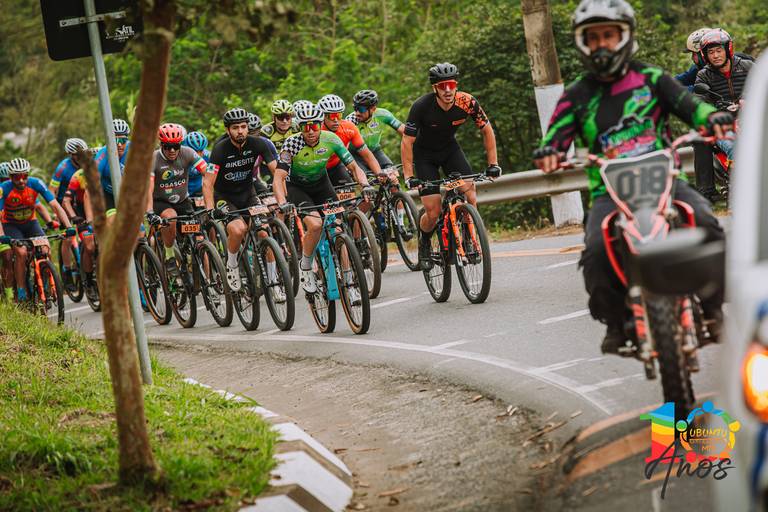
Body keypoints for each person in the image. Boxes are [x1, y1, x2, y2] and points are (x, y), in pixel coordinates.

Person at [532, 0, 733, 354]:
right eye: (594, 37)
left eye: (609, 35)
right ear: (582, 43)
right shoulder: (576, 95)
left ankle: (713, 309)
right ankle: (616, 321)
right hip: (609, 191)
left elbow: (692, 107)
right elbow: (556, 137)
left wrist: (711, 118)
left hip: (664, 179)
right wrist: (549, 151)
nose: (602, 44)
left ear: (625, 36)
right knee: (596, 251)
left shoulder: (652, 79)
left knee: (706, 223)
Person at [401, 62, 502, 266]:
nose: (447, 90)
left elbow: (487, 130)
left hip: (450, 150)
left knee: (470, 195)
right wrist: (409, 176)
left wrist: (493, 164)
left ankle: (468, 238)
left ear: (456, 85)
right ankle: (425, 242)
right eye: (442, 86)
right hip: (425, 156)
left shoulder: (467, 102)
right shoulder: (421, 106)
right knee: (433, 212)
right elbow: (407, 141)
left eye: (451, 85)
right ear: (435, 88)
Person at [272, 104, 373, 293]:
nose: (310, 131)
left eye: (314, 126)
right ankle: (306, 266)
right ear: (299, 128)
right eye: (305, 127)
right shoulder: (291, 144)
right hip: (298, 188)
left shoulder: (331, 139)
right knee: (316, 225)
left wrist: (365, 185)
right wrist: (282, 202)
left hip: (322, 185)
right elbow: (278, 179)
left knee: (337, 228)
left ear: (320, 125)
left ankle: (349, 279)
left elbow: (353, 167)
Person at [203, 107, 277, 290]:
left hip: (248, 193)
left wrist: (283, 195)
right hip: (224, 197)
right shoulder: (220, 149)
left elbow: (277, 171)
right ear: (228, 130)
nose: (240, 131)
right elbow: (208, 183)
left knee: (264, 232)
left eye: (243, 127)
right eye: (235, 128)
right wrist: (210, 210)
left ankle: (274, 281)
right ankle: (232, 265)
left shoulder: (258, 143)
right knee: (238, 230)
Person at [0, 158, 73, 302]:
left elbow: (55, 206)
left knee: (46, 249)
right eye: (17, 177)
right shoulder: (4, 189)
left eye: (24, 176)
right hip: (11, 225)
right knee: (21, 253)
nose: (21, 180)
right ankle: (21, 290)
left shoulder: (36, 183)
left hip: (31, 223)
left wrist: (69, 227)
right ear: (10, 177)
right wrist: (2, 235)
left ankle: (46, 283)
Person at [145, 123, 208, 276]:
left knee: (200, 238)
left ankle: (209, 280)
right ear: (161, 145)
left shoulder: (188, 152)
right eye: (168, 147)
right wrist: (150, 211)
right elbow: (148, 187)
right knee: (171, 218)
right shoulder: (153, 159)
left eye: (176, 146)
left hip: (183, 200)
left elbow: (207, 171)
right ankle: (169, 256)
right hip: (161, 201)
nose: (172, 151)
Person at [695, 28, 753, 163]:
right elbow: (699, 104)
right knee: (734, 148)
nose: (715, 55)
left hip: (751, 118)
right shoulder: (704, 76)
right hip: (722, 125)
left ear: (728, 50)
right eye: (711, 52)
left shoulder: (747, 66)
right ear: (705, 55)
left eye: (719, 50)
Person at [318, 94, 383, 187]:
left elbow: (367, 155)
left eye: (339, 115)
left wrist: (379, 174)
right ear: (322, 116)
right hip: (317, 171)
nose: (336, 120)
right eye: (332, 116)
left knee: (354, 192)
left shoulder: (349, 128)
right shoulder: (315, 132)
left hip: (336, 167)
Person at [346, 89, 405, 178]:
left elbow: (405, 131)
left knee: (392, 177)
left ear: (373, 109)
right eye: (355, 108)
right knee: (366, 180)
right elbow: (342, 145)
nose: (357, 113)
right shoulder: (350, 120)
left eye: (361, 109)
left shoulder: (383, 114)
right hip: (355, 155)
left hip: (375, 151)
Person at [94, 118, 131, 210]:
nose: (119, 145)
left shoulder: (133, 149)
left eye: (123, 141)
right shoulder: (102, 154)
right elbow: (89, 190)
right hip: (108, 195)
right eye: (115, 140)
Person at [182, 131, 210, 199]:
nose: (198, 155)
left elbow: (212, 176)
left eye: (201, 151)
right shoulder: (181, 156)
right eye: (195, 151)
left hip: (199, 191)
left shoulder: (208, 156)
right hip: (183, 191)